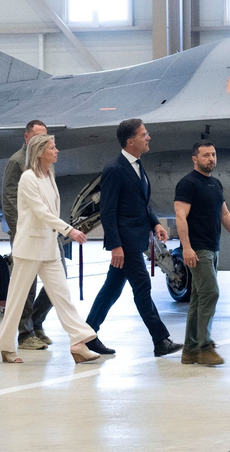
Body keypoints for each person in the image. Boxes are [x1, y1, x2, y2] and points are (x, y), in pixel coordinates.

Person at [0, 134, 99, 364]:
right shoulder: (28, 178)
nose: (57, 150)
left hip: (49, 247)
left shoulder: (49, 175)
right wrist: (69, 230)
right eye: (52, 147)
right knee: (17, 300)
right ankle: (5, 346)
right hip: (29, 248)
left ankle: (78, 343)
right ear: (40, 152)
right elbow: (41, 212)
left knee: (62, 296)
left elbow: (51, 210)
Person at [85, 118, 183, 357]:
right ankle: (160, 340)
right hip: (125, 242)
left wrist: (155, 223)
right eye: (143, 134)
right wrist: (116, 245)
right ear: (130, 141)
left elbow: (141, 203)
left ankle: (87, 335)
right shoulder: (114, 169)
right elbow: (107, 211)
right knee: (142, 287)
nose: (148, 137)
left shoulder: (137, 165)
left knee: (112, 289)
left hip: (136, 238)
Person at [174, 141, 230, 366]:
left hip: (213, 247)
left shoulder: (215, 184)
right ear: (195, 159)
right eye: (206, 155)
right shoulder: (187, 184)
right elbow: (180, 217)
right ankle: (204, 346)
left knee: (199, 298)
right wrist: (186, 247)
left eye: (213, 154)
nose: (211, 159)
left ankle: (190, 350)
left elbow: (224, 214)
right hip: (198, 249)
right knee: (210, 293)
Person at [2, 119, 59, 351]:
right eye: (37, 136)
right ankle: (25, 335)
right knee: (27, 286)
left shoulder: (46, 164)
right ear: (27, 138)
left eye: (46, 136)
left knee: (59, 281)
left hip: (48, 233)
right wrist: (19, 233)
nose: (43, 140)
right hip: (26, 234)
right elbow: (9, 199)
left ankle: (36, 321)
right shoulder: (18, 162)